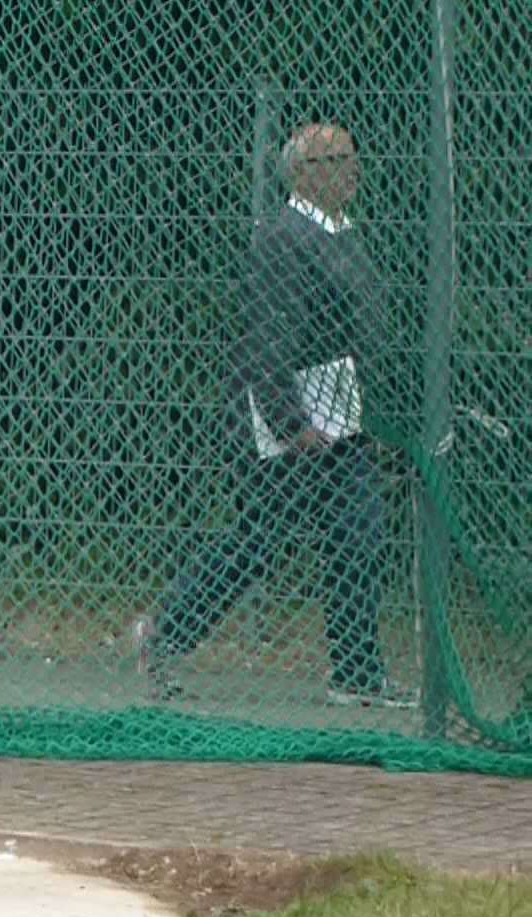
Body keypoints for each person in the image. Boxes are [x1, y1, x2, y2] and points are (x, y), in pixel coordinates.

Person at [136, 123, 414, 709]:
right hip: (289, 418)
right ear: (302, 174)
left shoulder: (339, 234)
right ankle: (163, 637)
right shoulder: (285, 238)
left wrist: (369, 413)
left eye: (350, 157)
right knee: (257, 540)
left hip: (341, 415)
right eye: (333, 160)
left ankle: (357, 674)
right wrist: (290, 421)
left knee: (357, 534)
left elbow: (359, 336)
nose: (349, 170)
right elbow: (269, 336)